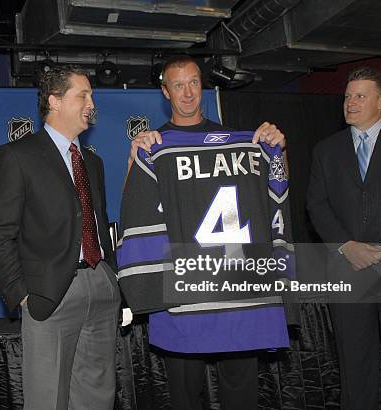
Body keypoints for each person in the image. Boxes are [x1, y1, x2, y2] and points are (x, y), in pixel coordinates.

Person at [124, 55, 289, 410]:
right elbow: (133, 207)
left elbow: (275, 188)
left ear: (203, 85)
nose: (188, 92)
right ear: (165, 92)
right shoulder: (156, 145)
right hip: (182, 291)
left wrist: (278, 149)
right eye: (178, 85)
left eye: (194, 82)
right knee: (185, 395)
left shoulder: (239, 140)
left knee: (241, 392)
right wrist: (135, 156)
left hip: (236, 288)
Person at [0, 66, 120, 410]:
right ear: (55, 101)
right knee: (48, 399)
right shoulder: (17, 155)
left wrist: (112, 277)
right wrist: (21, 295)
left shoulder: (92, 161)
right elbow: (0, 233)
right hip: (49, 295)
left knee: (97, 396)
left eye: (91, 95)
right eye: (83, 95)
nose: (91, 103)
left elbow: (99, 222)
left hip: (100, 286)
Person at [307, 66, 381, 409]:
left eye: (360, 96)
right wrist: (347, 246)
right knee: (354, 362)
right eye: (348, 96)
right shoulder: (326, 149)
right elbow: (316, 205)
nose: (350, 103)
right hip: (347, 268)